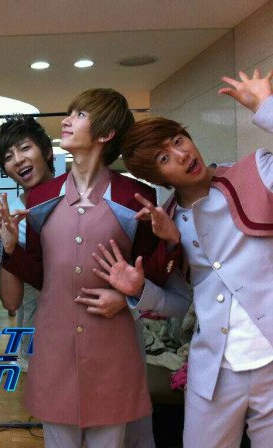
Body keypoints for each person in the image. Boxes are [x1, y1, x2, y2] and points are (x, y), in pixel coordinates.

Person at [0, 88, 178, 447]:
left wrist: (128, 294)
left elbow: (150, 274)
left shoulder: (133, 197)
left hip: (113, 349)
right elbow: (43, 275)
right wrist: (11, 247)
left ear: (106, 133)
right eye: (70, 113)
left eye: (79, 115)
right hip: (54, 348)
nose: (66, 121)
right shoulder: (40, 198)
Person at [106, 69, 273, 448]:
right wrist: (139, 289)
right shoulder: (164, 221)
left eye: (179, 140)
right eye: (165, 157)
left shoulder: (256, 172)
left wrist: (265, 107)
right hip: (213, 371)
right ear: (157, 176)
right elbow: (181, 303)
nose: (182, 155)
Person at [0, 115, 55, 371]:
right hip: (37, 330)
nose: (18, 160)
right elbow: (11, 302)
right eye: (8, 157)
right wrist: (10, 246)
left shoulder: (76, 199)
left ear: (47, 151)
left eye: (25, 148)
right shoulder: (12, 215)